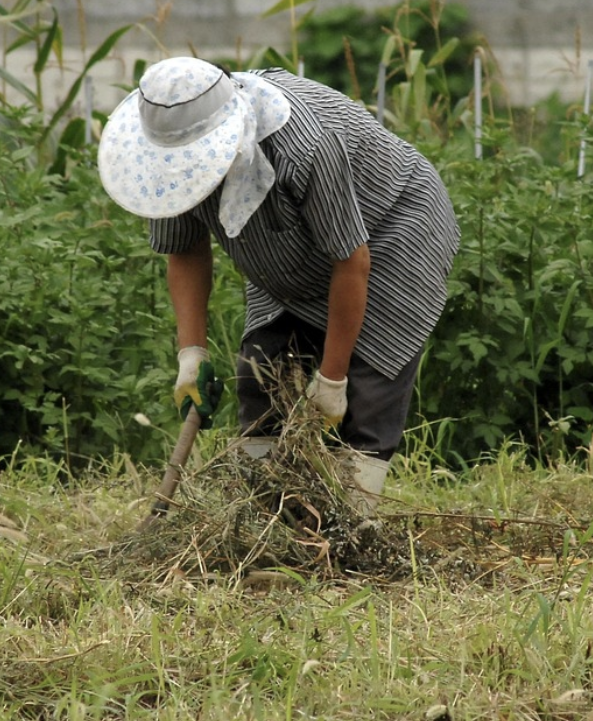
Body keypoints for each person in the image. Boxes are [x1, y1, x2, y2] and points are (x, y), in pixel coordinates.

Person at [97, 56, 460, 516]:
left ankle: (348, 535)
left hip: (391, 229)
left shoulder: (305, 146)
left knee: (367, 397)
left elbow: (350, 261)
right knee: (260, 372)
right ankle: (267, 520)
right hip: (287, 246)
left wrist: (331, 380)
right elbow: (185, 250)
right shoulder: (167, 161)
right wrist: (192, 354)